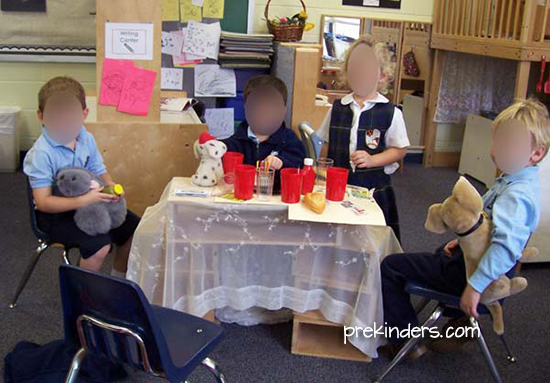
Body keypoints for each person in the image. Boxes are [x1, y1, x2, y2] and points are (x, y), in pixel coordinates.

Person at [380, 99, 549, 358]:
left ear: (536, 153)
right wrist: (462, 242)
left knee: (390, 267)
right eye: (498, 142)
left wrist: (476, 287)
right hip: (472, 266)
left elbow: (504, 249)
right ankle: (457, 322)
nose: (498, 150)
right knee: (439, 253)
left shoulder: (517, 196)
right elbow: (487, 228)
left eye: (510, 144)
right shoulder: (512, 182)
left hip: (472, 276)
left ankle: (406, 340)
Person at [23, 76, 140, 276]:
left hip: (89, 202)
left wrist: (110, 185)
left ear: (84, 114)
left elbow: (99, 169)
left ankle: (118, 280)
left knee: (136, 230)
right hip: (55, 214)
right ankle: (84, 298)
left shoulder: (85, 137)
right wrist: (85, 200)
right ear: (42, 116)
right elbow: (43, 202)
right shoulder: (41, 153)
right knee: (99, 247)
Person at [317, 35, 410, 241]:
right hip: (338, 184)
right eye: (355, 68)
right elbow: (326, 144)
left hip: (373, 188)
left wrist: (372, 160)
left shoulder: (391, 112)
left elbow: (399, 150)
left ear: (382, 76)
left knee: (371, 237)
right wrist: (322, 173)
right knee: (338, 232)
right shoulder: (338, 108)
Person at [222, 75, 306, 192]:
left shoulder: (290, 139)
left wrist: (281, 161)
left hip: (278, 199)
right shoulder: (235, 142)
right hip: (243, 201)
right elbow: (221, 155)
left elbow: (299, 163)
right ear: (246, 108)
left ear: (283, 111)